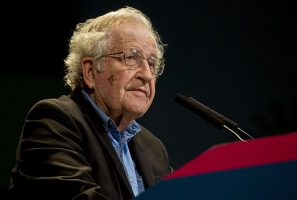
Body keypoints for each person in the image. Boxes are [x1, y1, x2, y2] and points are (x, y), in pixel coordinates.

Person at [8, 6, 173, 200]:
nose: (146, 74)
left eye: (152, 63)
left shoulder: (153, 148)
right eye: (131, 57)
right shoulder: (54, 122)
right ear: (90, 71)